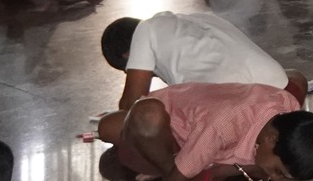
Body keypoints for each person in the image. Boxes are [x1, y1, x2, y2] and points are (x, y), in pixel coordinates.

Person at [99, 80, 313, 181]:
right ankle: (173, 171)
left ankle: (190, 173)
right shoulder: (223, 127)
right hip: (168, 133)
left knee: (253, 165)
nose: (273, 178)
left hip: (208, 141)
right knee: (136, 119)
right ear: (270, 139)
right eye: (277, 170)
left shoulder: (287, 112)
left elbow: (271, 177)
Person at [100, 10, 299, 112]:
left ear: (129, 56)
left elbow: (131, 105)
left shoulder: (145, 30)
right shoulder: (197, 18)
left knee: (126, 125)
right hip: (285, 93)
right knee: (293, 74)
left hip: (237, 111)